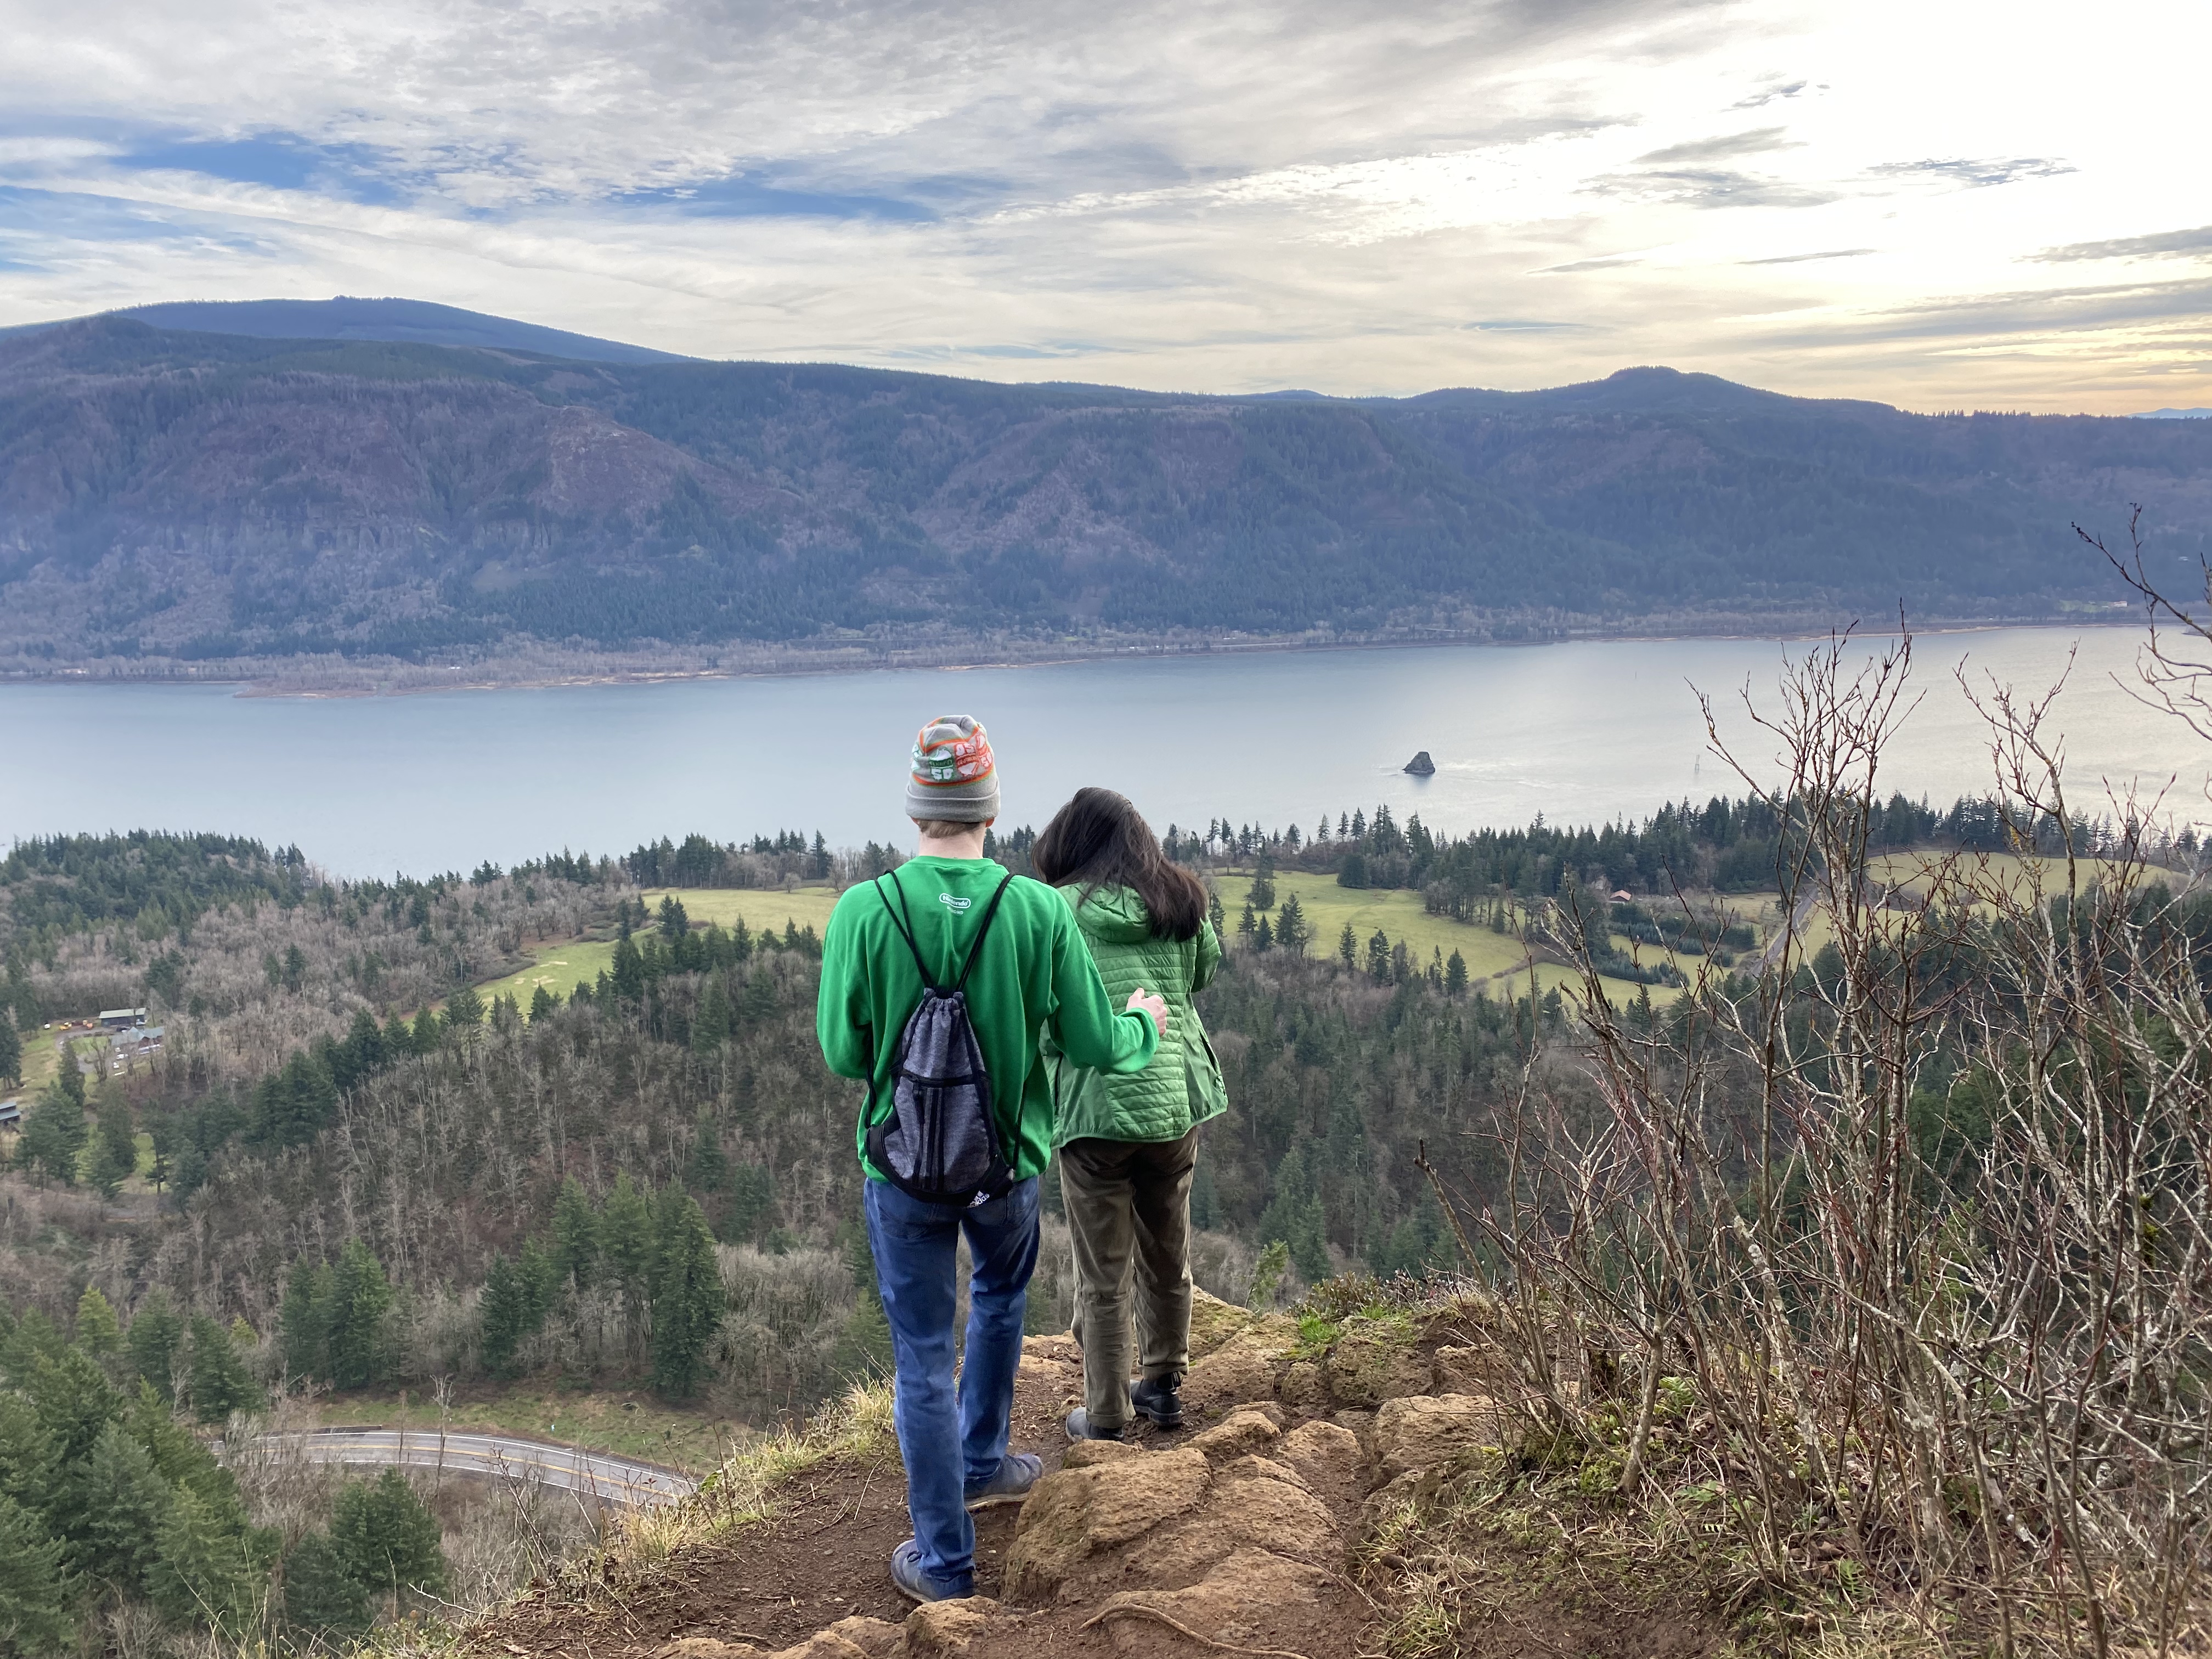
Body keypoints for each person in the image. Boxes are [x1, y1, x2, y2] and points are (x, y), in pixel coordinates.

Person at [816, 716, 1169, 1604]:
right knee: (1002, 1297)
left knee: (922, 1358)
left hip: (899, 1173)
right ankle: (984, 1459)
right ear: (988, 804)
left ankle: (943, 1560)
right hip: (1004, 1166)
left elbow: (844, 1052)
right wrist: (1146, 1027)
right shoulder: (1037, 909)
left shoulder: (865, 909)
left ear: (917, 802)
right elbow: (1094, 1040)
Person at [1032, 787, 1227, 1442]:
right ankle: (1165, 1387)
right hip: (1174, 1105)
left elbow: (1043, 1007)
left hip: (1095, 1111)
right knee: (1167, 1250)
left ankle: (1108, 1416)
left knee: (1103, 1274)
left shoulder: (1057, 910)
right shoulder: (1181, 899)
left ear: (1072, 844)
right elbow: (1202, 973)